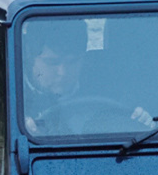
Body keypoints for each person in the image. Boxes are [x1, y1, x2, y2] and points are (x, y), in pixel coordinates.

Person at [20, 20, 149, 137]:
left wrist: (143, 121)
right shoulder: (13, 95)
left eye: (73, 62)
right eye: (52, 62)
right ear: (29, 58)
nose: (63, 72)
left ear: (84, 58)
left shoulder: (111, 87)